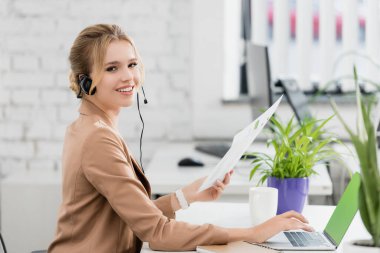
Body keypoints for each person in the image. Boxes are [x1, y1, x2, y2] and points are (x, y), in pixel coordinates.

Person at [48, 24, 313, 253]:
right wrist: (252, 233)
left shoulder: (89, 126)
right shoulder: (98, 139)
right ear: (86, 82)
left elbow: (138, 215)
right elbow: (158, 233)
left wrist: (186, 196)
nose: (128, 76)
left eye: (132, 64)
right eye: (112, 68)